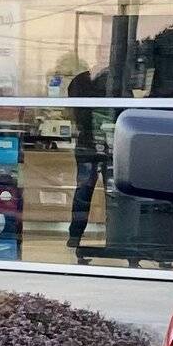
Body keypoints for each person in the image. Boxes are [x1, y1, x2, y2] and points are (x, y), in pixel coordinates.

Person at [65, 66, 106, 257]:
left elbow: (75, 112)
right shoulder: (111, 79)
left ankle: (75, 235)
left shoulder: (80, 81)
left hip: (91, 144)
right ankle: (76, 235)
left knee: (84, 191)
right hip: (101, 144)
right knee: (109, 193)